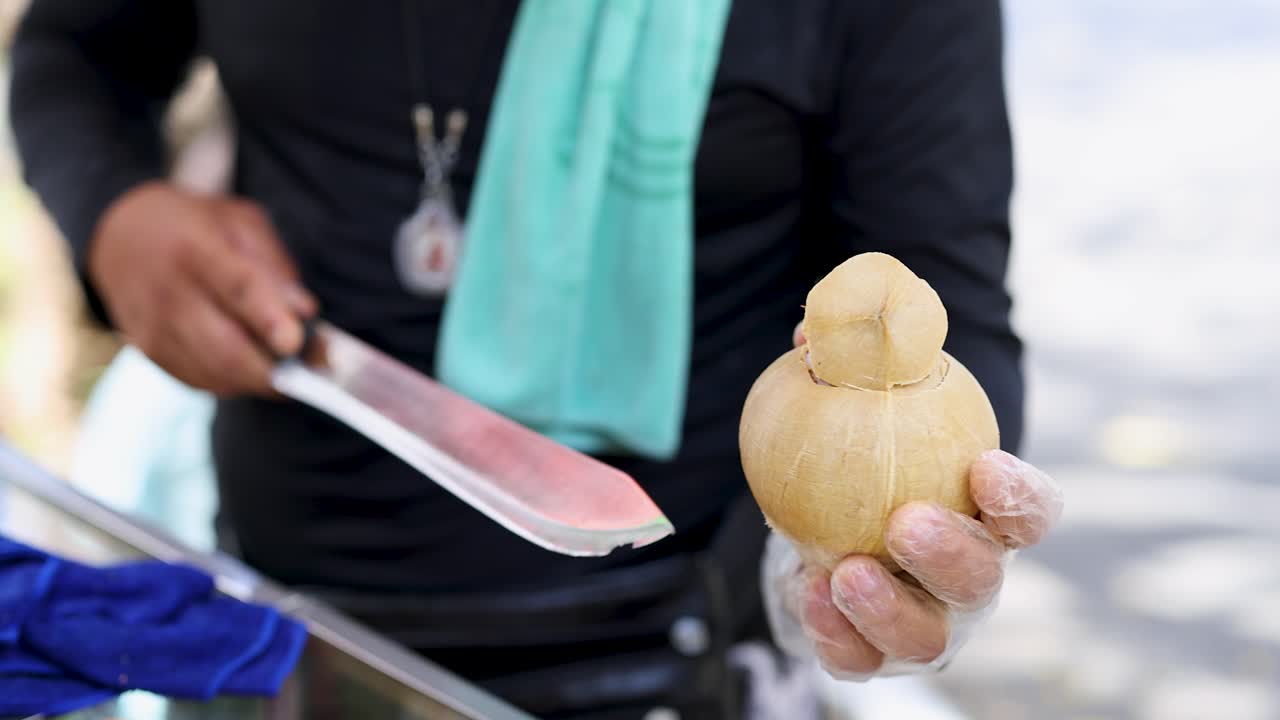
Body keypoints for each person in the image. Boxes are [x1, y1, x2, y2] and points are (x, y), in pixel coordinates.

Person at [9, 1, 1063, 718]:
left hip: (688, 639)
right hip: (282, 614)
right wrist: (117, 215)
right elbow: (74, 55)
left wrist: (867, 565)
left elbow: (943, 305)